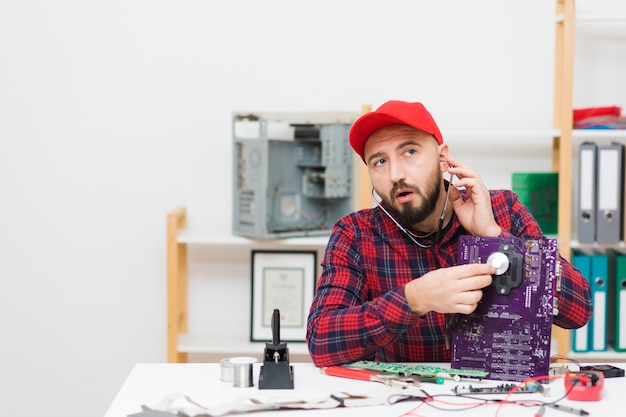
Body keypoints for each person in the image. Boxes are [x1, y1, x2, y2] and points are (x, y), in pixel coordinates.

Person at [305, 100, 592, 367]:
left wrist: (495, 236)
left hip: (498, 399)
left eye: (409, 152)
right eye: (380, 161)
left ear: (443, 159)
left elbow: (579, 310)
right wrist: (414, 299)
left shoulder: (503, 210)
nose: (395, 174)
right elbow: (321, 340)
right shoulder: (355, 234)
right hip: (408, 401)